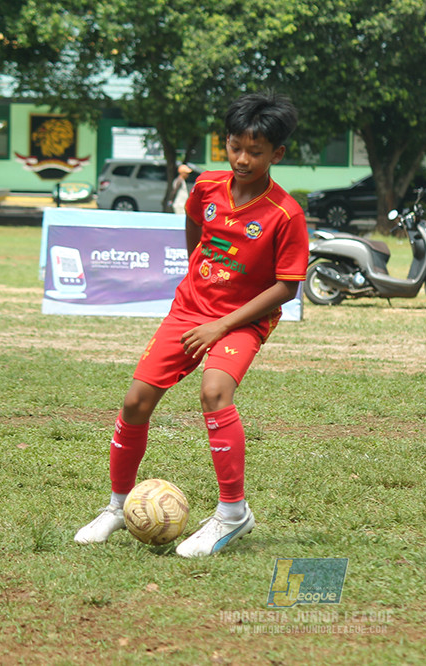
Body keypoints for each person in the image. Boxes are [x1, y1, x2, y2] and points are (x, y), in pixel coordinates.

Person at [74, 91, 308, 558]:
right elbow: (194, 232)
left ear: (277, 154)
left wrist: (221, 324)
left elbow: (286, 288)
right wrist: (198, 288)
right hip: (189, 311)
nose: (242, 159)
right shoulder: (205, 188)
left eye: (255, 151)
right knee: (135, 401)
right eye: (235, 146)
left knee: (215, 392)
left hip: (243, 320)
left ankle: (232, 514)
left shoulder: (286, 214)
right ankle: (119, 507)